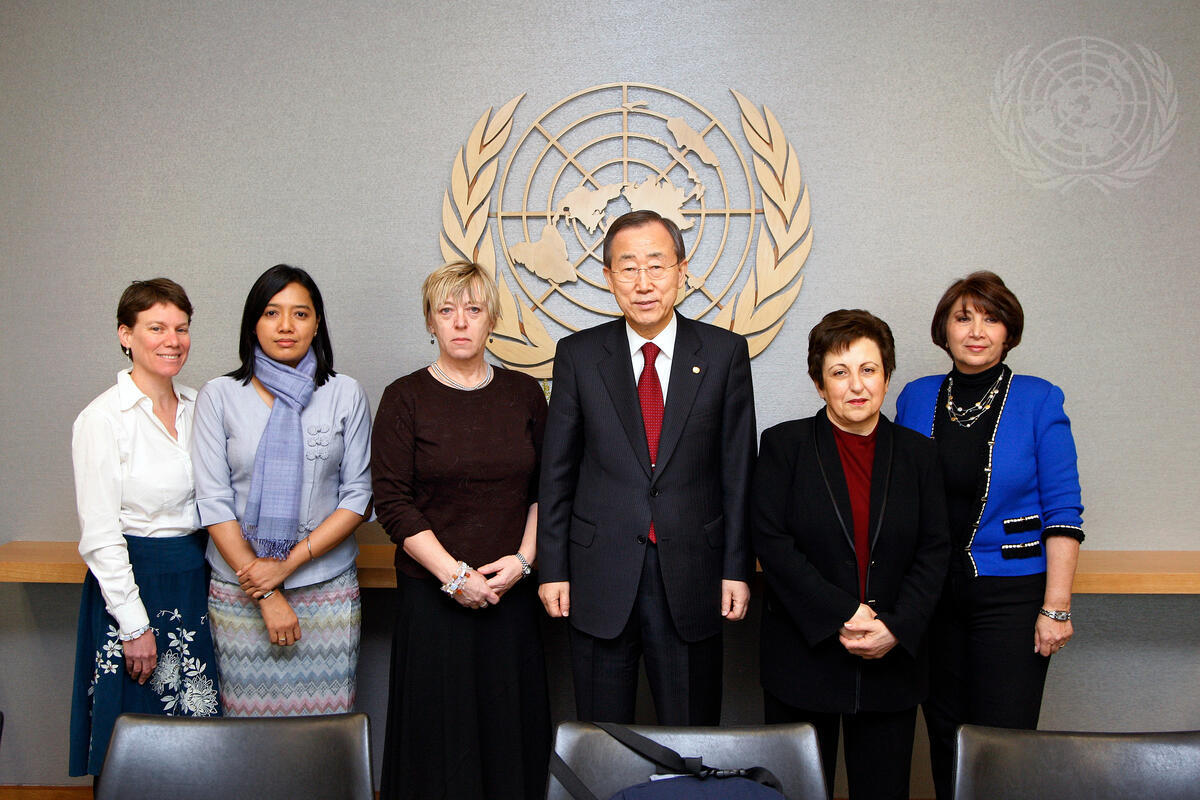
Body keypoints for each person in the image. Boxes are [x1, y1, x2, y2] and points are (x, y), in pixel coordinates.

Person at [538, 209, 757, 725]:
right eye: (628, 267)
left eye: (656, 266)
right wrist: (554, 569)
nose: (643, 283)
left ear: (682, 270)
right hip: (599, 573)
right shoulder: (578, 356)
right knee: (601, 736)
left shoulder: (724, 353)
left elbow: (738, 472)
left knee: (691, 735)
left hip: (694, 572)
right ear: (607, 276)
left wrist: (736, 567)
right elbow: (557, 473)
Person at [895, 271, 1084, 800]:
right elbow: (900, 496)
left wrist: (1056, 608)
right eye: (964, 318)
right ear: (944, 330)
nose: (977, 331)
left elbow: (1063, 512)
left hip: (1011, 596)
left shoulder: (1039, 399)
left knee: (1004, 742)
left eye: (991, 318)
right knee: (944, 735)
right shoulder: (915, 397)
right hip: (933, 595)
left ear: (1008, 332)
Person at [751, 309, 949, 800]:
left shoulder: (920, 455)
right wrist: (842, 611)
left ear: (886, 377)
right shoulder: (784, 446)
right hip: (804, 656)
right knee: (797, 791)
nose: (856, 385)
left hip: (891, 659)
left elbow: (934, 550)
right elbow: (772, 542)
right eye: (839, 372)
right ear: (820, 385)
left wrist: (896, 626)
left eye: (869, 369)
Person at [370, 261, 551, 799]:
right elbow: (392, 503)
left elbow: (547, 489)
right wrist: (454, 577)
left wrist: (523, 562)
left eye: (473, 309)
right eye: (446, 310)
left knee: (508, 734)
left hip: (509, 593)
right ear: (430, 321)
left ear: (491, 318)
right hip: (432, 597)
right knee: (437, 740)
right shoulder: (404, 397)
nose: (460, 321)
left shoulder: (524, 394)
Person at [192, 264, 372, 716]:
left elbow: (358, 495)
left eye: (300, 313)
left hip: (327, 590)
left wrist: (286, 566)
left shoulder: (345, 393)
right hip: (242, 593)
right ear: (253, 322)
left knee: (326, 733)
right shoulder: (219, 395)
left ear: (317, 324)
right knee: (247, 735)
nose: (286, 326)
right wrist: (267, 593)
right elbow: (213, 501)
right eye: (272, 312)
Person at [69, 279, 220, 779]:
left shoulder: (203, 406)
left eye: (181, 328)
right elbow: (99, 535)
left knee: (198, 736)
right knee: (134, 738)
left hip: (197, 579)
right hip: (132, 588)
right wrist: (134, 626)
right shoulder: (102, 419)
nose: (172, 340)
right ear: (126, 335)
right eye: (156, 328)